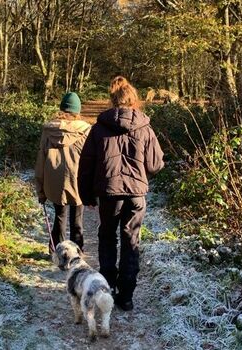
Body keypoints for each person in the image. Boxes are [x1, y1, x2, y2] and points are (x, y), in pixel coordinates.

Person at [78, 76, 164, 311]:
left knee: (107, 237)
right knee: (131, 239)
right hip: (136, 194)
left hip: (109, 193)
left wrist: (86, 195)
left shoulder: (98, 129)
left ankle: (107, 289)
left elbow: (86, 164)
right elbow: (156, 165)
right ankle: (126, 296)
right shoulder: (145, 128)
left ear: (112, 100)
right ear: (135, 101)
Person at [35, 92, 91, 253]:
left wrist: (40, 191)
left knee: (60, 216)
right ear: (77, 111)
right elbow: (90, 159)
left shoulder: (48, 130)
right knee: (77, 219)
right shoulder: (86, 131)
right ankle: (77, 252)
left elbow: (41, 159)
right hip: (77, 180)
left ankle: (57, 251)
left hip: (54, 182)